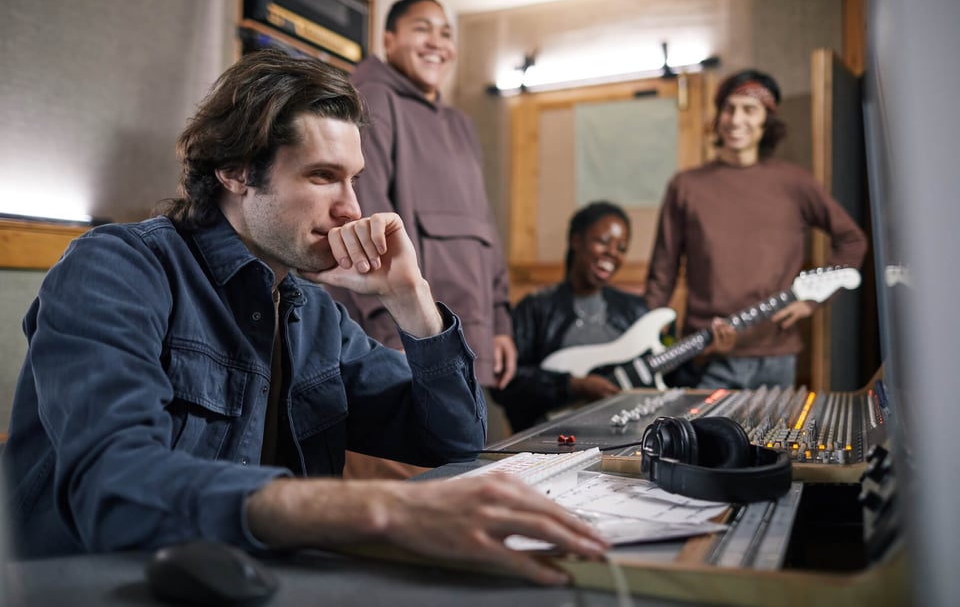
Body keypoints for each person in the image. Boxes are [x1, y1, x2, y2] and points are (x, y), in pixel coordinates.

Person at [0, 49, 608, 584]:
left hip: (258, 581)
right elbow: (113, 485)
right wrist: (374, 511)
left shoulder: (313, 311)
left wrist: (410, 300)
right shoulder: (116, 268)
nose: (351, 209)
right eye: (322, 177)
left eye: (354, 180)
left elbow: (451, 438)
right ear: (235, 170)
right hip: (101, 588)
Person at [323, 0, 517, 453]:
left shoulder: (460, 123)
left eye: (446, 33)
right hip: (406, 334)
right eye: (421, 29)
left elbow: (484, 227)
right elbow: (365, 224)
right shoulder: (371, 99)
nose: (437, 43)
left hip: (462, 328)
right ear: (387, 40)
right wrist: (395, 332)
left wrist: (500, 324)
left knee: (482, 455)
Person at [644, 69, 868, 391]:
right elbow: (661, 273)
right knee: (704, 442)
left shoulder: (794, 182)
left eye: (750, 110)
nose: (736, 120)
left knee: (771, 443)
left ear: (767, 122)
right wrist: (647, 340)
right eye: (728, 108)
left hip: (776, 357)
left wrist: (812, 303)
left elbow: (852, 241)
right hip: (705, 354)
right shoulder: (686, 186)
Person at [493, 202, 735, 432]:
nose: (612, 253)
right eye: (603, 241)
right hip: (552, 438)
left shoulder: (636, 310)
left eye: (621, 248)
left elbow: (666, 381)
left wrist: (701, 359)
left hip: (626, 435)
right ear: (576, 240)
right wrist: (572, 386)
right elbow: (506, 384)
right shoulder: (535, 308)